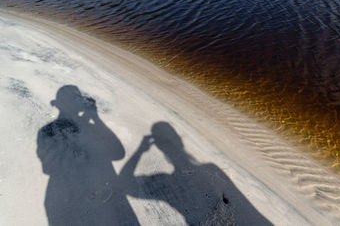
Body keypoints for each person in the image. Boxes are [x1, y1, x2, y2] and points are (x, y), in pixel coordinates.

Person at [120, 121, 271, 225]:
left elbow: (126, 186)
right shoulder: (212, 169)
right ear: (180, 141)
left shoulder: (168, 181)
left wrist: (140, 150)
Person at [37, 85, 139, 226]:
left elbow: (118, 153)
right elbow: (48, 168)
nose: (78, 102)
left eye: (78, 99)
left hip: (92, 199)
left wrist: (95, 118)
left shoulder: (89, 128)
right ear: (63, 104)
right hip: (69, 200)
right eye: (75, 98)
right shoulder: (48, 131)